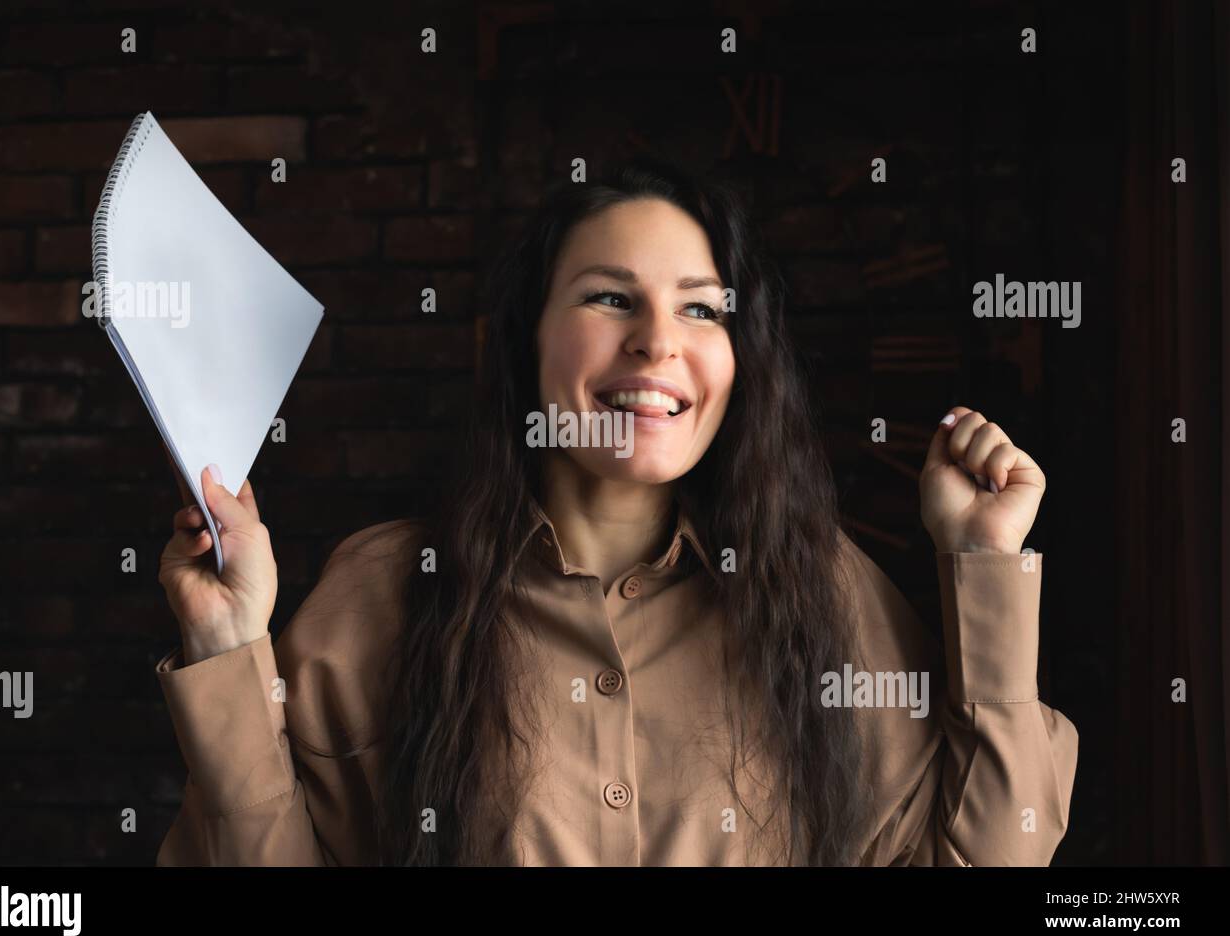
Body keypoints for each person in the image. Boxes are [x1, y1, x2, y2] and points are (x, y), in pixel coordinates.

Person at [154, 157, 1078, 866]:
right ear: (528, 338)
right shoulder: (388, 592)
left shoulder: (818, 592)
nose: (658, 342)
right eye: (609, 298)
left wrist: (985, 564)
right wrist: (227, 648)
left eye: (702, 310)